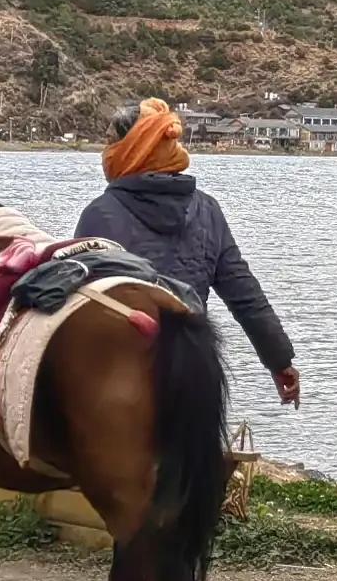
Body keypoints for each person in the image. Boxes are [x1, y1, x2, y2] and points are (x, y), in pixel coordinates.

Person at [73, 97, 301, 404]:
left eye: (111, 144)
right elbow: (245, 296)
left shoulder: (99, 215)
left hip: (123, 379)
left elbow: (78, 310)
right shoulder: (207, 210)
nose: (106, 153)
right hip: (196, 369)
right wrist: (279, 361)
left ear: (132, 150)